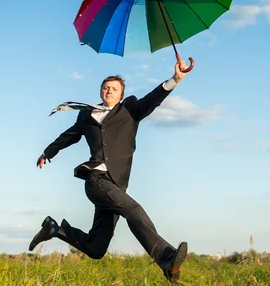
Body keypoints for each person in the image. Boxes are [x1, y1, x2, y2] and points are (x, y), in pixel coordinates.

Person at [29, 59, 190, 283]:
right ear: (100, 91)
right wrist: (48, 152)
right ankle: (166, 257)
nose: (109, 91)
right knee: (132, 209)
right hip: (96, 180)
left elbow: (152, 99)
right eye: (105, 88)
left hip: (117, 184)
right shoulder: (87, 115)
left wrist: (175, 80)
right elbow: (70, 135)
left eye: (114, 89)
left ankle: (56, 230)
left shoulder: (131, 110)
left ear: (121, 95)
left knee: (96, 248)